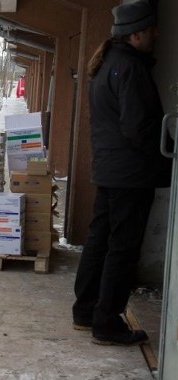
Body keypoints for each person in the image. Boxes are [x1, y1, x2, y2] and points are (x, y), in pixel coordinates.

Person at [72, 1, 172, 346]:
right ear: (138, 33)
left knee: (100, 239)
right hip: (130, 173)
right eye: (153, 29)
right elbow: (139, 127)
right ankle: (108, 321)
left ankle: (85, 309)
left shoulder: (107, 65)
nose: (157, 34)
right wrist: (168, 153)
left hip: (110, 170)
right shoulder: (129, 68)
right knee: (123, 247)